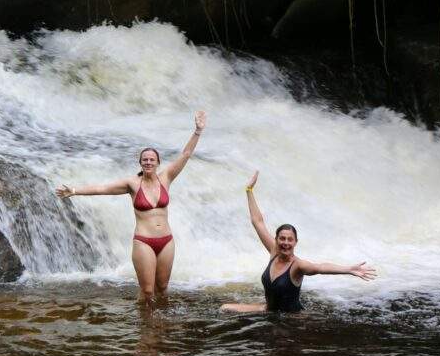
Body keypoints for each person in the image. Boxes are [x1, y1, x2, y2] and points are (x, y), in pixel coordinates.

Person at [56, 111, 207, 303]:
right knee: (148, 291)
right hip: (144, 242)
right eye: (145, 159)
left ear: (158, 162)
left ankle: (163, 327)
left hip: (167, 241)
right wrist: (76, 190)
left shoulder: (167, 177)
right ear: (140, 163)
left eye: (152, 159)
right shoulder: (132, 184)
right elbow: (103, 188)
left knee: (163, 288)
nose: (148, 162)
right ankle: (145, 327)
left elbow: (186, 154)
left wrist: (197, 131)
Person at [221, 171, 377, 313]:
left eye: (290, 239)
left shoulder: (298, 266)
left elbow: (320, 267)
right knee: (224, 308)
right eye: (282, 238)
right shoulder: (274, 252)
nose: (286, 243)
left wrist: (349, 269)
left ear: (295, 242)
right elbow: (258, 221)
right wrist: (249, 191)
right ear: (276, 240)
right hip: (268, 310)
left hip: (291, 318)